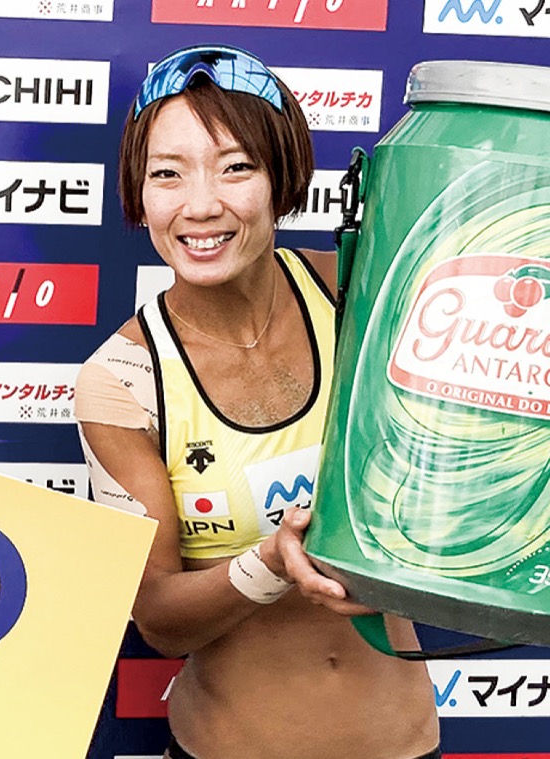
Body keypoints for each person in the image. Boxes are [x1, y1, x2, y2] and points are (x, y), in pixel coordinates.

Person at [74, 46, 438, 759]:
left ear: (282, 179)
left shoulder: (360, 292)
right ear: (139, 194)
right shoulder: (121, 378)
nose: (200, 205)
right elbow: (158, 618)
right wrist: (270, 562)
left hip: (407, 744)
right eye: (167, 173)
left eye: (235, 167)